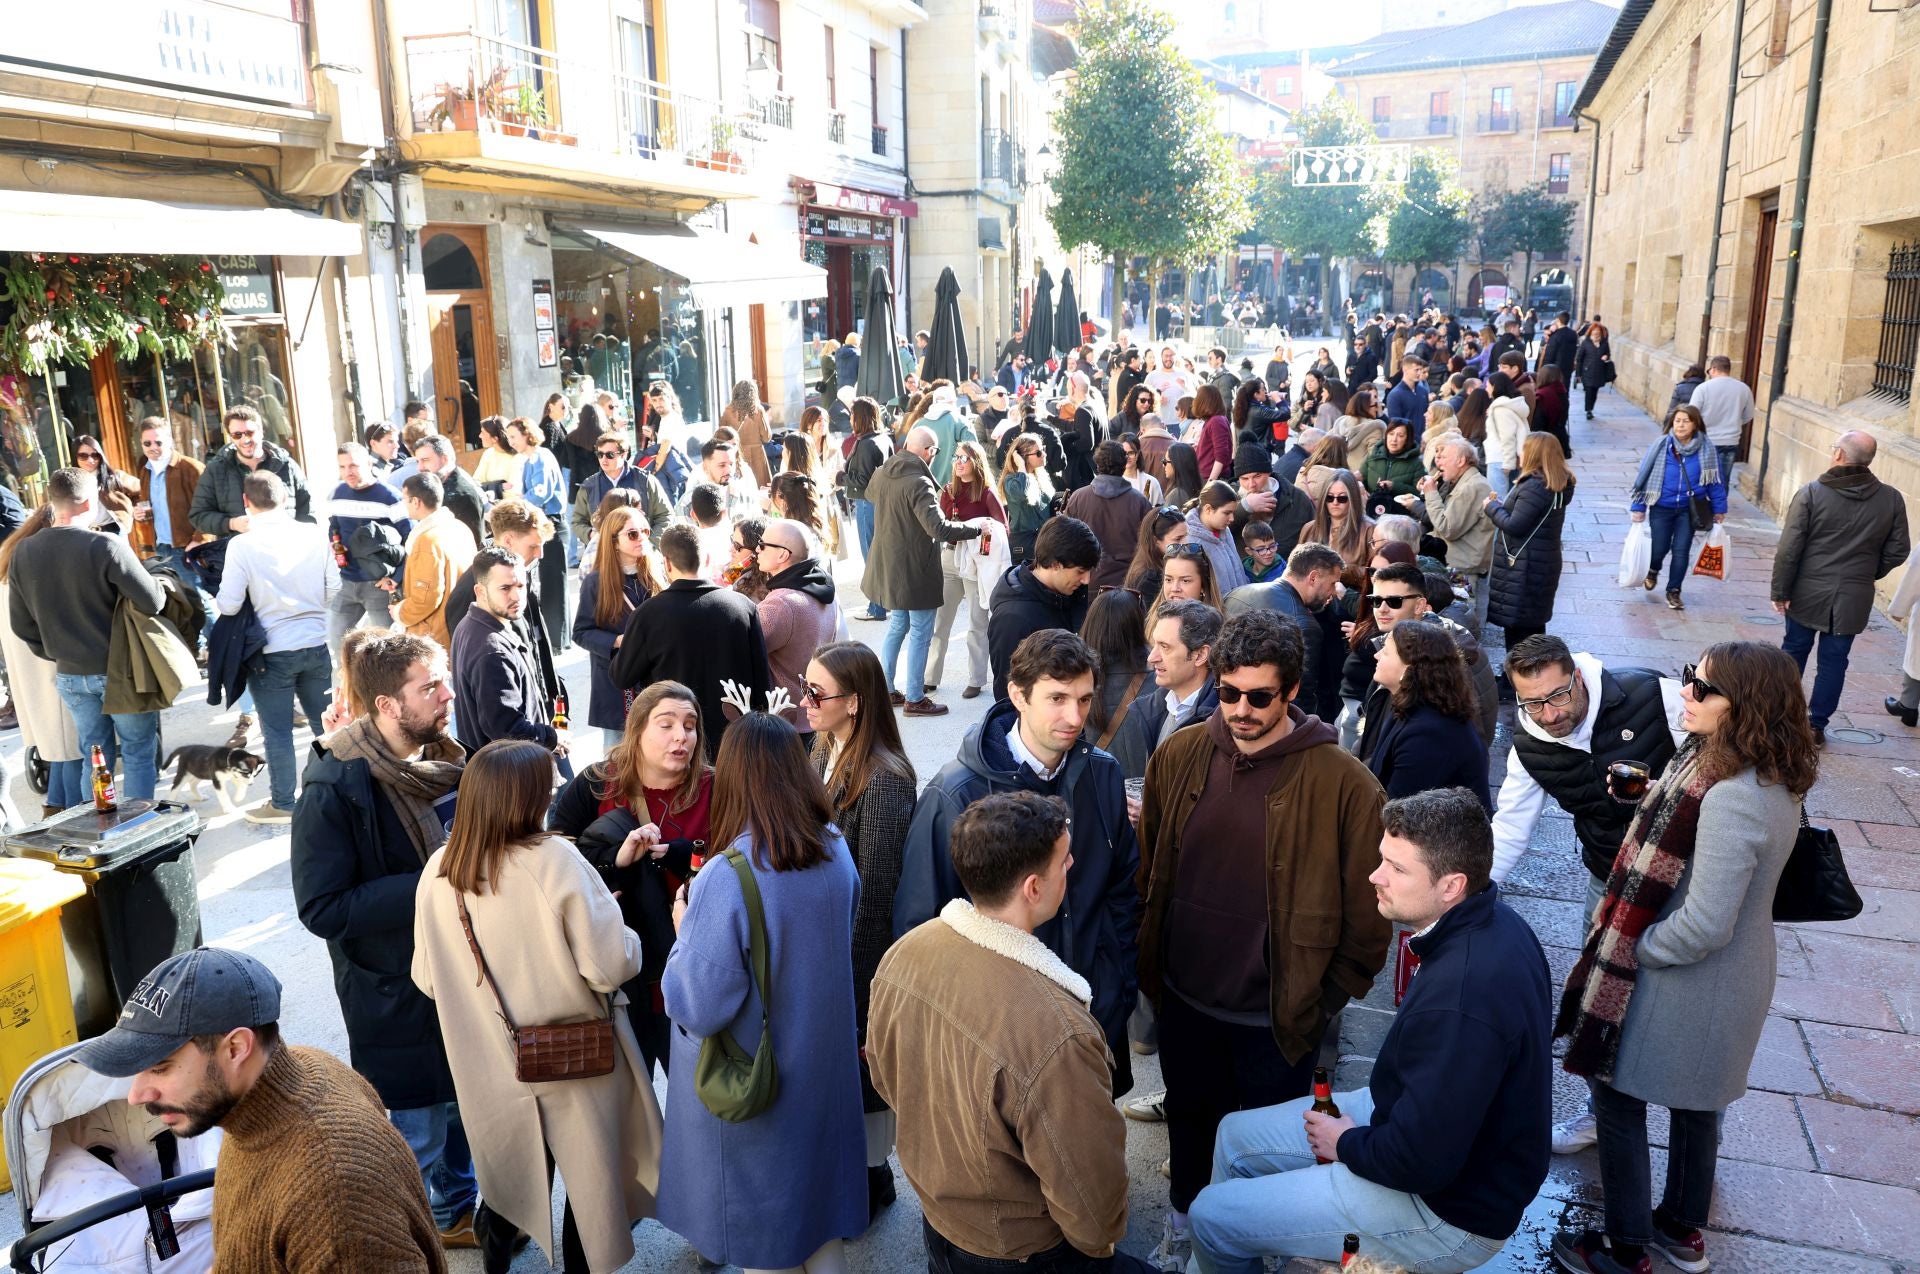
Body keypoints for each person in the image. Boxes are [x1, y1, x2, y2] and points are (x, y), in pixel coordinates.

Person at [1187, 787, 1551, 1274]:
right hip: (1414, 1130)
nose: (1374, 877)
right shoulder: (1494, 920)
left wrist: (1346, 1143)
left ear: (1451, 885)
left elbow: (1422, 1161)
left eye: (1397, 869)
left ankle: (1229, 1244)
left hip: (1449, 1212)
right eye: (1383, 859)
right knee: (1233, 1135)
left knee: (1210, 1217)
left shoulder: (1462, 997)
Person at [1135, 610, 1390, 1270]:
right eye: (1228, 692)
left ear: (1293, 691)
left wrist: (1325, 996)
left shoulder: (1345, 784)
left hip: (1278, 1016)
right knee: (1192, 1126)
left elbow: (1371, 915)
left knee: (1275, 1146)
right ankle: (1187, 1229)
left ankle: (1264, 1245)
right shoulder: (1180, 754)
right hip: (1187, 1000)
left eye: (1259, 697)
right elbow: (1150, 865)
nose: (1241, 710)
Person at [1553, 644, 1817, 1274]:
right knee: (1699, 1105)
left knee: (1617, 1097)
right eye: (1688, 679)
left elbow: (1705, 922)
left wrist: (1634, 948)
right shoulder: (1762, 771)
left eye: (1703, 688)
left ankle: (1623, 1249)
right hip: (1730, 978)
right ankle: (1679, 1230)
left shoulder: (1732, 795)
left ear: (1744, 705)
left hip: (1692, 979)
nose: (1687, 694)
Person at [870, 792, 1154, 1274]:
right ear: (1032, 888)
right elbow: (1093, 1210)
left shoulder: (906, 953)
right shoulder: (1058, 1033)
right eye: (1064, 860)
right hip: (1024, 1253)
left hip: (940, 1225)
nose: (1073, 864)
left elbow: (883, 1074)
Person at [412, 740, 663, 1274]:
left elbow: (427, 977)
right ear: (525, 798)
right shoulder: (554, 859)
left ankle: (495, 1255)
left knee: (514, 1171)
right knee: (592, 1184)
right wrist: (624, 931)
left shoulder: (439, 868)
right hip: (576, 1059)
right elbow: (610, 965)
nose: (551, 797)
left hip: (490, 1061)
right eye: (545, 789)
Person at [75, 948, 446, 1272]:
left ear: (236, 1048)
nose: (136, 1095)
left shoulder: (333, 1199)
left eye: (160, 1068)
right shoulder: (304, 1067)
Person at [658, 713, 866, 1273]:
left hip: (759, 1080)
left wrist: (682, 938)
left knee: (767, 1242)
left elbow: (698, 1004)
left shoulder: (728, 875)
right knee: (821, 1226)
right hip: (823, 1068)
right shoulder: (834, 847)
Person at [896, 627, 1141, 1092]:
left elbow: (1123, 889)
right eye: (1058, 698)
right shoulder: (955, 795)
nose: (1075, 716)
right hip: (998, 1040)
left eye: (1085, 700)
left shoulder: (1103, 775)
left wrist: (1116, 986)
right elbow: (919, 928)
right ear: (1018, 695)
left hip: (1093, 1019)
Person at [292, 630, 477, 1246]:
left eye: (443, 680)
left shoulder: (445, 754)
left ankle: (456, 1213)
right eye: (430, 688)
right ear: (386, 706)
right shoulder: (334, 784)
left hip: (462, 974)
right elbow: (322, 907)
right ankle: (400, 1243)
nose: (448, 695)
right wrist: (432, 881)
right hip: (393, 990)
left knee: (464, 1109)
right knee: (416, 1130)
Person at [804, 641, 918, 1219]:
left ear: (854, 703)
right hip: (828, 944)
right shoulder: (826, 744)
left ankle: (874, 1183)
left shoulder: (885, 778)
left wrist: (843, 968)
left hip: (859, 955)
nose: (805, 701)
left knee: (864, 1069)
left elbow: (876, 892)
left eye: (816, 692)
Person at [548, 680, 711, 1076]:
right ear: (637, 729)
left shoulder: (716, 788)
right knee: (630, 1108)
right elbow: (556, 857)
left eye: (690, 726)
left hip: (689, 966)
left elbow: (739, 863)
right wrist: (613, 860)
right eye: (666, 724)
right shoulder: (596, 783)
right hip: (617, 971)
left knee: (694, 1098)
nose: (681, 737)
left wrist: (682, 855)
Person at [8, 466, 167, 800]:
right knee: (138, 752)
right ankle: (137, 834)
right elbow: (153, 601)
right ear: (88, 503)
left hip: (70, 673)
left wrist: (57, 653)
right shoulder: (106, 546)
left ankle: (101, 831)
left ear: (52, 502)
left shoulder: (24, 551)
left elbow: (21, 625)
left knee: (94, 760)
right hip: (122, 671)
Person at [210, 471, 336, 822]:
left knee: (277, 731)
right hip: (314, 641)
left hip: (271, 651)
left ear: (246, 504)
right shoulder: (313, 534)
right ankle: (341, 791)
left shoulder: (242, 545)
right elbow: (333, 588)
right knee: (327, 725)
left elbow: (229, 605)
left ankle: (283, 803)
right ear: (285, 499)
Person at [1770, 429, 1910, 744]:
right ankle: (1816, 725)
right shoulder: (1891, 498)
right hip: (1854, 595)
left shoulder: (1811, 493)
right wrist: (1868, 572)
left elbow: (1789, 549)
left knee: (1792, 654)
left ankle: (1777, 717)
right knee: (1835, 662)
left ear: (1838, 455)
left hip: (1807, 591)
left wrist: (1780, 590)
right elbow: (1899, 549)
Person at [863, 424, 985, 716]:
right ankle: (915, 698)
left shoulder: (883, 472)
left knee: (897, 627)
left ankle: (888, 688)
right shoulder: (918, 481)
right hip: (914, 568)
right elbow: (938, 528)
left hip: (889, 564)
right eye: (935, 451)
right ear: (928, 452)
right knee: (919, 631)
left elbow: (869, 496)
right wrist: (974, 528)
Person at [450, 546, 562, 759]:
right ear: (480, 591)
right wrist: (552, 736)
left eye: (521, 585)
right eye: (505, 588)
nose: (517, 595)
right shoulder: (492, 650)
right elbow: (507, 730)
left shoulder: (471, 624)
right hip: (513, 776)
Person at [1365, 620, 1491, 809]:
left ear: (1408, 669)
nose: (1376, 655)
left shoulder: (1429, 735)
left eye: (1386, 651)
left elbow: (1398, 811)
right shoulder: (1411, 705)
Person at [571, 505, 666, 745]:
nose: (642, 538)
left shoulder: (657, 574)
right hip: (617, 681)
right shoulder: (596, 582)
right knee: (617, 763)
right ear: (613, 541)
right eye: (633, 534)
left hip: (654, 676)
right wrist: (617, 641)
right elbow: (582, 632)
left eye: (645, 531)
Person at [1224, 542, 1344, 721]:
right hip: (1267, 722)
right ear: (1313, 578)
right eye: (1333, 583)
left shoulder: (1236, 593)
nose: (1334, 592)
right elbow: (1300, 697)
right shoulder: (1304, 625)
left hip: (1227, 705)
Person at [1106, 598, 1221, 782]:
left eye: (1165, 647)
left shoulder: (1221, 722)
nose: (1152, 657)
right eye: (1154, 646)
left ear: (1200, 655)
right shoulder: (1156, 708)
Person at [987, 515, 1098, 701]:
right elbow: (1008, 696)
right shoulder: (1012, 620)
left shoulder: (1068, 592)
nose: (1087, 579)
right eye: (1080, 571)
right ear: (1054, 565)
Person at [1484, 432, 1576, 650]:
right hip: (1539, 562)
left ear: (1533, 454)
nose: (1520, 453)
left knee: (1520, 630)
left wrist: (1491, 507)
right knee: (1532, 627)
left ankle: (1518, 677)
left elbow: (1515, 525)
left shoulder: (1535, 486)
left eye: (1524, 449)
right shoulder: (1554, 483)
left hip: (1525, 567)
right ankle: (1526, 673)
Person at [1629, 405, 1725, 612]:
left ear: (1695, 424)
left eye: (1686, 421)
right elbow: (1643, 477)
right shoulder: (1661, 445)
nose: (1680, 425)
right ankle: (1653, 569)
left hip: (1689, 510)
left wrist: (1719, 509)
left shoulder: (1707, 448)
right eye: (1677, 420)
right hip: (1662, 507)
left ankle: (1674, 591)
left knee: (1681, 551)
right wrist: (1638, 506)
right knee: (1659, 547)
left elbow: (1715, 482)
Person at [932, 440, 1007, 699]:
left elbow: (1002, 529)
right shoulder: (948, 491)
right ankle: (931, 677)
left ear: (976, 462)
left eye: (964, 458)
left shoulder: (986, 492)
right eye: (956, 457)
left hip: (976, 563)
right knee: (941, 621)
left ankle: (976, 679)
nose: (959, 462)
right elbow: (938, 527)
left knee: (977, 621)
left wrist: (979, 535)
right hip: (950, 558)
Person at [755, 518, 841, 741]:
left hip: (790, 723)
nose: (757, 549)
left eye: (762, 545)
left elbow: (743, 646)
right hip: (818, 715)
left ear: (783, 555)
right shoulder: (823, 586)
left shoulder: (780, 605)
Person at [324, 442, 409, 659]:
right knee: (337, 645)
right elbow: (333, 528)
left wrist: (396, 577)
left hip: (379, 585)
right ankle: (352, 691)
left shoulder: (391, 497)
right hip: (346, 581)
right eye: (342, 467)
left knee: (385, 651)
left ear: (369, 463)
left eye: (353, 466)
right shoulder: (336, 493)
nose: (347, 472)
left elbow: (410, 540)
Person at [188, 403, 314, 539]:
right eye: (237, 435)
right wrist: (231, 523)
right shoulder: (216, 470)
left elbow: (308, 511)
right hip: (242, 553)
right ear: (231, 437)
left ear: (261, 432)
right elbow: (198, 516)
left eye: (249, 433)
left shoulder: (286, 464)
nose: (245, 439)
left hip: (286, 548)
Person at [1410, 437, 1496, 632]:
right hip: (1458, 561)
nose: (1438, 462)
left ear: (1461, 461)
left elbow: (1447, 527)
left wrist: (1431, 493)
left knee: (1460, 629)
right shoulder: (1462, 482)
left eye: (1444, 457)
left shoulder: (1473, 486)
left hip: (1462, 567)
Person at [505, 417, 570, 653]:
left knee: (553, 582)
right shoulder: (530, 458)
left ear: (526, 434)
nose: (510, 441)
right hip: (541, 522)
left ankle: (556, 639)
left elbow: (539, 494)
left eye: (513, 436)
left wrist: (516, 505)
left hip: (549, 523)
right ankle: (556, 636)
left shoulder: (540, 457)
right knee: (548, 581)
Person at [393, 473, 479, 653]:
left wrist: (400, 613)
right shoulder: (459, 527)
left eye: (405, 500)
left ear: (416, 502)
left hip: (435, 637)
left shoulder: (427, 541)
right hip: (461, 624)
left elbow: (426, 599)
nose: (404, 504)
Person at [1065, 441, 1154, 591]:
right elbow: (1149, 547)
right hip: (1129, 585)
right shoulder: (1140, 502)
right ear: (1124, 464)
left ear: (1098, 465)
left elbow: (1066, 542)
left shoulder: (1078, 498)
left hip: (1089, 583)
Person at [133, 416, 206, 590]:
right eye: (147, 444)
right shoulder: (145, 471)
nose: (153, 448)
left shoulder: (191, 468)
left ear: (169, 441)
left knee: (202, 602)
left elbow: (210, 508)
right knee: (179, 602)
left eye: (158, 442)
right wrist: (141, 514)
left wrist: (199, 541)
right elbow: (149, 507)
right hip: (160, 547)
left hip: (187, 547)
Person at [571, 430, 671, 545]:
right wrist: (591, 535)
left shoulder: (646, 480)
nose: (603, 459)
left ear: (623, 454)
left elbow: (665, 515)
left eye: (610, 455)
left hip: (642, 553)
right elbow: (577, 521)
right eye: (600, 454)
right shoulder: (589, 486)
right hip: (606, 554)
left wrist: (649, 544)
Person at [1687, 354, 1754, 480]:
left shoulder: (1703, 388)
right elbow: (1748, 415)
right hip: (1730, 440)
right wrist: (1735, 422)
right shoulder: (1744, 389)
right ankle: (1720, 500)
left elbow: (1692, 414)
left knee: (1701, 479)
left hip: (1706, 439)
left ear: (1713, 369)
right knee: (1723, 481)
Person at [412, 434, 486, 548]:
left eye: (425, 460)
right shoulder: (439, 488)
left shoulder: (462, 495)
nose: (420, 467)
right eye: (418, 461)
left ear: (445, 459)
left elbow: (470, 546)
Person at [998, 429, 1055, 565]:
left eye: (1043, 449)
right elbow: (1020, 494)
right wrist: (1021, 468)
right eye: (1039, 452)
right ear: (1023, 457)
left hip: (1044, 542)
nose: (1044, 454)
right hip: (1025, 547)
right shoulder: (1012, 480)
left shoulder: (1039, 476)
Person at [1360, 421, 1423, 518]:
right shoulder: (1374, 455)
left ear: (1407, 439)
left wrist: (1394, 486)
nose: (1394, 439)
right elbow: (1361, 476)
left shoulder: (1416, 463)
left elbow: (1419, 494)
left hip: (1399, 517)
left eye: (1400, 436)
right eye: (1391, 434)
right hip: (1370, 513)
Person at [720, 378, 774, 487]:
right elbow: (767, 437)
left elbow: (721, 437)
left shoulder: (727, 412)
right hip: (757, 456)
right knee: (761, 490)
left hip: (736, 454)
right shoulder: (758, 411)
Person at [1484, 372, 1531, 492]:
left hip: (1499, 459)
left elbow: (1507, 437)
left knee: (1498, 500)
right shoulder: (1509, 406)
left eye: (1488, 385)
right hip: (1507, 458)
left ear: (1494, 387)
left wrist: (1508, 463)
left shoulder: (1500, 409)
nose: (1486, 388)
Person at [1574, 322, 1614, 419]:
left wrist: (1606, 356)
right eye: (1594, 331)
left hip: (1599, 372)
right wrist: (1578, 374)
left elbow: (1608, 353)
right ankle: (1588, 410)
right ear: (1591, 332)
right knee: (1588, 391)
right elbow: (1579, 358)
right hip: (1587, 371)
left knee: (1594, 392)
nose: (1596, 333)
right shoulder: (1586, 343)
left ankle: (1591, 407)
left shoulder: (1604, 343)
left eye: (1598, 331)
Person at [1538, 310, 1577, 380]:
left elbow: (1550, 354)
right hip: (1568, 368)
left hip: (1555, 370)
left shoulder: (1555, 336)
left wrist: (1543, 369)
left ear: (1558, 320)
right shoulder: (1573, 334)